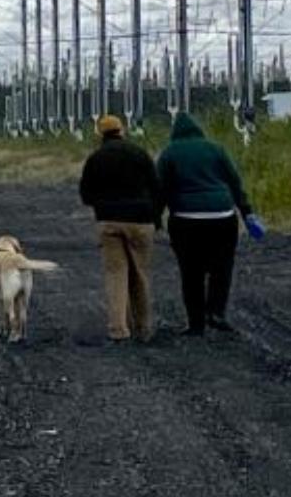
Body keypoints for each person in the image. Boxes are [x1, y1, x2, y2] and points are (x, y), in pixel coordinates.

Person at [156, 111, 261, 336]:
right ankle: (217, 312)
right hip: (222, 216)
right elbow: (234, 181)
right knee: (221, 267)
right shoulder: (216, 149)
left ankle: (196, 324)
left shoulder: (170, 153)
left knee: (191, 271)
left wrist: (156, 218)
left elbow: (160, 189)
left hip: (186, 219)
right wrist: (247, 212)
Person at [78, 113, 162, 343]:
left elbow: (85, 194)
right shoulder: (139, 154)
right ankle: (143, 327)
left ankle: (118, 329)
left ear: (100, 134)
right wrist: (156, 217)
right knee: (140, 274)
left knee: (116, 274)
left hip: (109, 222)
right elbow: (156, 187)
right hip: (141, 220)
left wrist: (102, 205)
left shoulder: (96, 158)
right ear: (121, 130)